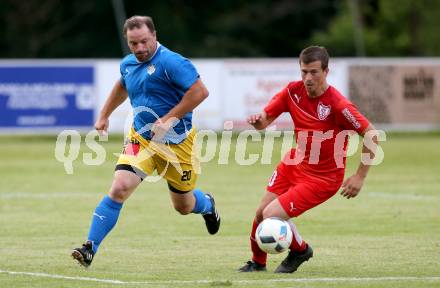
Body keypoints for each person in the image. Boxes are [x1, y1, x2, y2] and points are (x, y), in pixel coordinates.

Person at [72, 15, 220, 267]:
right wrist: (104, 115)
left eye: (143, 42)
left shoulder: (172, 62)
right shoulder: (128, 64)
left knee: (183, 206)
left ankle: (207, 205)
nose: (139, 49)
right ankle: (89, 248)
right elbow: (122, 86)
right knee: (119, 188)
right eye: (133, 44)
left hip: (178, 146)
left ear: (154, 36)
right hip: (141, 139)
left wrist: (169, 118)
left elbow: (200, 92)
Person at [238, 46, 378, 273]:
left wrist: (360, 176)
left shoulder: (338, 105)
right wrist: (257, 121)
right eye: (304, 72)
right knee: (260, 212)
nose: (308, 78)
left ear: (326, 71)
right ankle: (258, 263)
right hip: (295, 163)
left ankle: (301, 250)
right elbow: (264, 121)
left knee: (270, 216)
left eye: (314, 72)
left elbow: (371, 134)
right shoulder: (292, 92)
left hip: (322, 178)